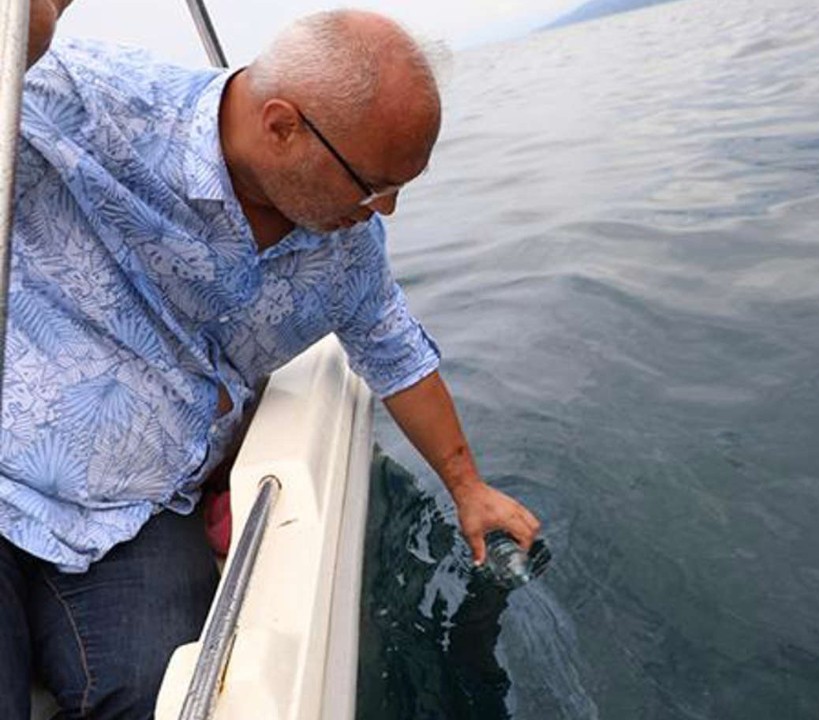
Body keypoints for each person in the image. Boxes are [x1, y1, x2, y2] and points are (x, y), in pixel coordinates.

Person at [1, 3, 542, 717]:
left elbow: (396, 350)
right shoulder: (93, 99)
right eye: (373, 184)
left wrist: (468, 486)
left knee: (161, 699)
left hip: (141, 513)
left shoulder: (346, 247)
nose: (386, 211)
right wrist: (29, 31)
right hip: (8, 469)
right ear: (283, 124)